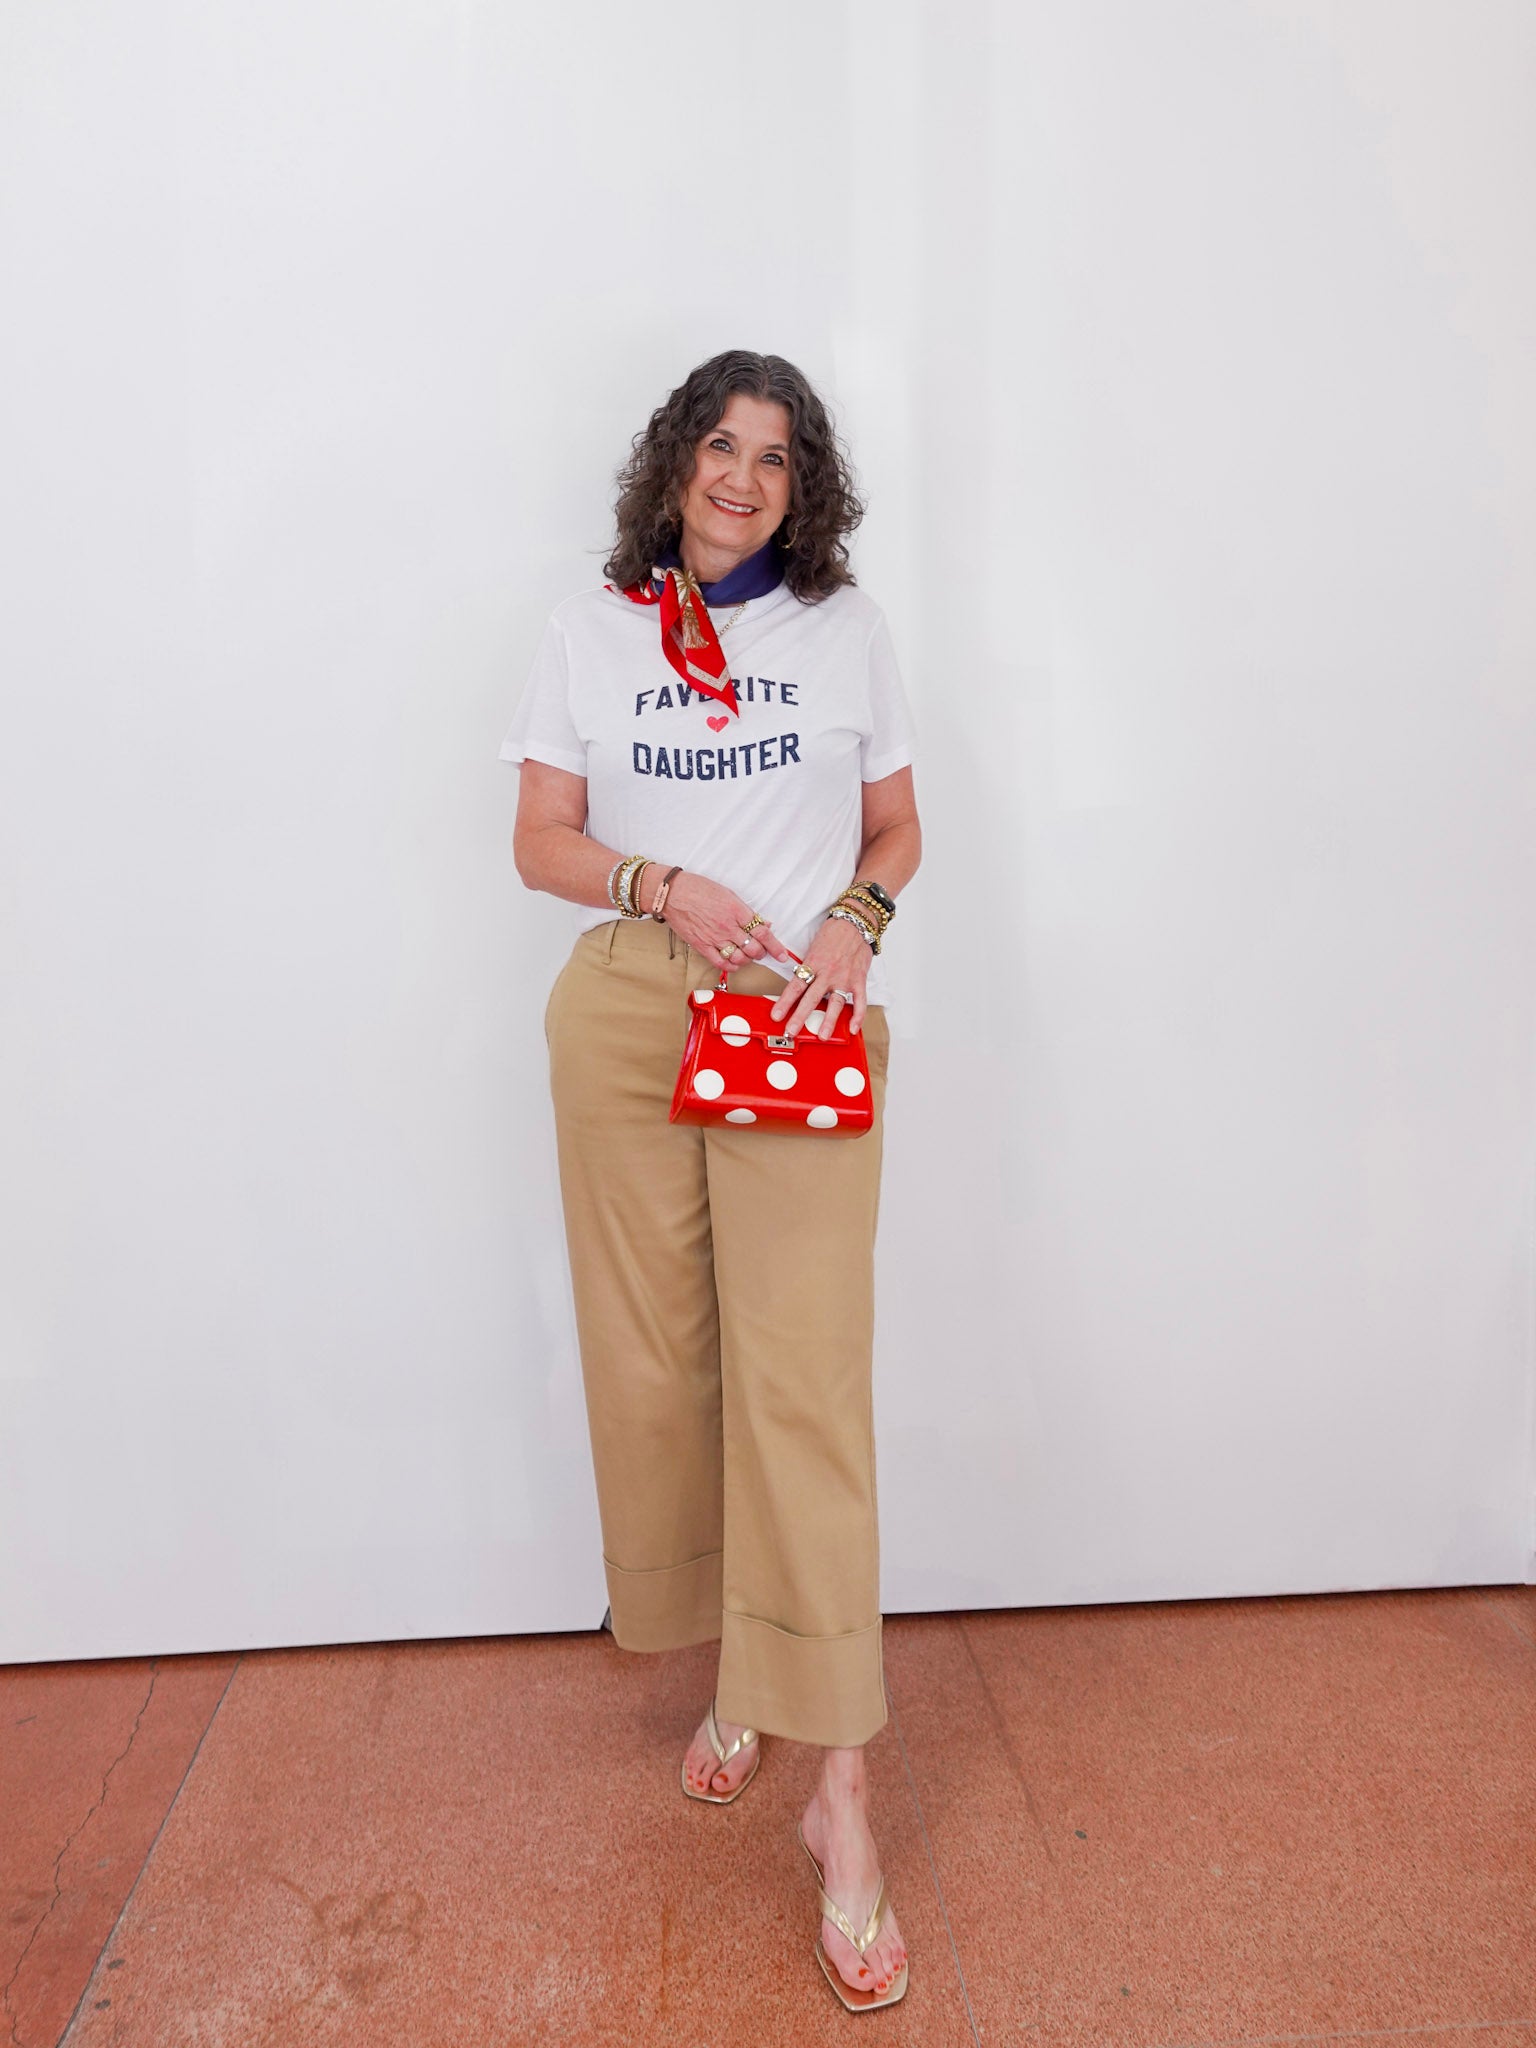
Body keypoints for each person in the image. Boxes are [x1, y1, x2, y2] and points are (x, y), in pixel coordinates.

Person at [502, 349, 922, 2011]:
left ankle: (841, 1795)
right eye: (717, 447)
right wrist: (656, 881)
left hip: (794, 1023)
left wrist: (854, 923)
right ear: (673, 464)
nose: (742, 477)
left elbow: (894, 833)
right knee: (663, 1365)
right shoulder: (595, 627)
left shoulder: (845, 632)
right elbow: (539, 837)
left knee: (802, 1382)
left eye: (776, 455)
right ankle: (738, 1667)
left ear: (802, 487)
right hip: (626, 1010)